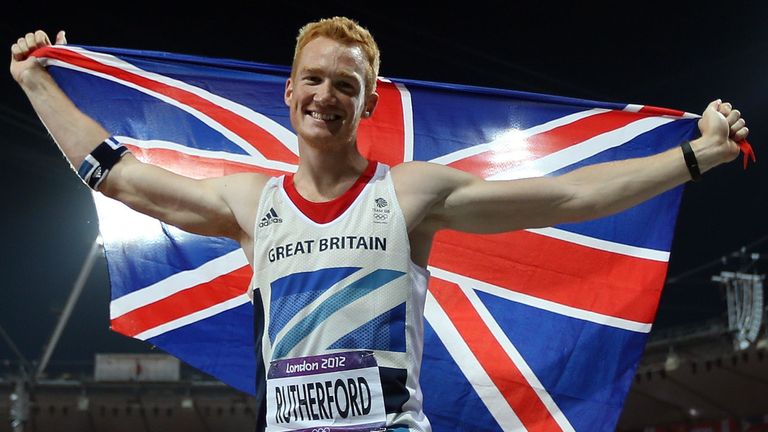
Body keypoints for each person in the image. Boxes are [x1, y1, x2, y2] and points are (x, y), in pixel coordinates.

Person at [10, 16, 750, 432]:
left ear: (368, 105)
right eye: (315, 79)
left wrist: (695, 157)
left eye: (347, 85)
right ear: (289, 91)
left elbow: (567, 199)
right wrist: (35, 82)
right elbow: (121, 176)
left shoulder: (410, 195)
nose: (327, 95)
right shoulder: (250, 203)